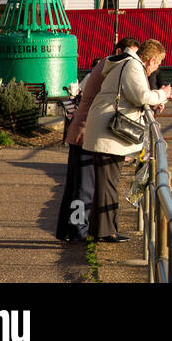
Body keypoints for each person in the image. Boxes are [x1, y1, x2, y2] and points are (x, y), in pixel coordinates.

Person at [83, 38, 172, 243]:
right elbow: (141, 96)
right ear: (151, 60)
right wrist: (163, 93)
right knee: (108, 183)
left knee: (106, 182)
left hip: (104, 131)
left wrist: (157, 100)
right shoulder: (133, 66)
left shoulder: (127, 64)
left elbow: (134, 97)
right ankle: (107, 232)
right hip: (107, 135)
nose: (157, 68)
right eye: (158, 63)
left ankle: (99, 230)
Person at [56, 55, 108, 242]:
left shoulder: (96, 73)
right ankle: (78, 228)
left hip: (80, 134)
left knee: (75, 186)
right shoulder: (106, 74)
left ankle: (67, 229)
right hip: (86, 136)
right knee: (83, 188)